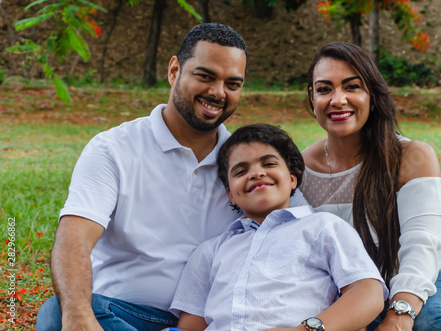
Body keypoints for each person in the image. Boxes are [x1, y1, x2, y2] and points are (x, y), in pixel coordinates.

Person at [36, 23, 302, 331]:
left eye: (232, 83)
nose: (218, 92)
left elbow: (296, 231)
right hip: (122, 314)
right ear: (174, 70)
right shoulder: (113, 149)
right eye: (205, 76)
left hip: (215, 320)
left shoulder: (246, 168)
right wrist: (78, 313)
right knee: (58, 313)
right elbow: (75, 234)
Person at [299, 42, 441, 331]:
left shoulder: (410, 156)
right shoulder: (300, 169)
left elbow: (421, 244)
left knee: (427, 324)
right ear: (312, 96)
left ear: (371, 93)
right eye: (324, 89)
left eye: (352, 86)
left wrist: (400, 313)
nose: (338, 99)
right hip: (368, 295)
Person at [170, 123, 388, 331]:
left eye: (269, 163)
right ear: (230, 195)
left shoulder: (323, 227)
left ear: (292, 179)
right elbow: (191, 326)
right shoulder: (210, 252)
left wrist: (306, 329)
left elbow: (367, 292)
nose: (256, 173)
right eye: (240, 171)